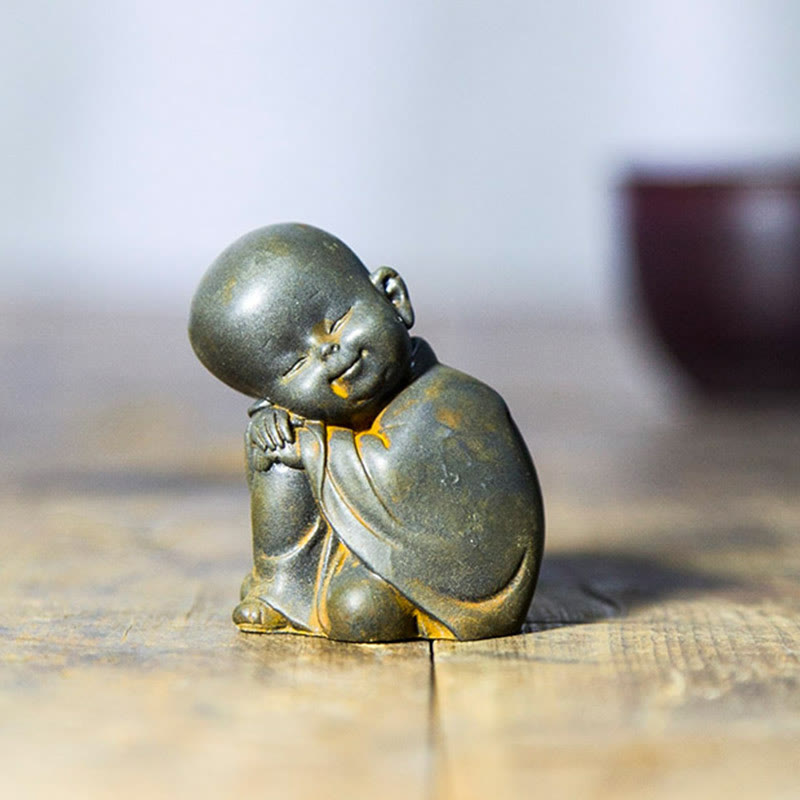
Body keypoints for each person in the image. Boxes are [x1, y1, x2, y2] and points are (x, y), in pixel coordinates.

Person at [189, 223, 544, 641]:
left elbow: (398, 470)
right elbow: (309, 450)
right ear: (271, 394)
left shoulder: (457, 401)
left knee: (357, 609)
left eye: (336, 321)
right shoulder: (314, 420)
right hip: (362, 547)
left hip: (458, 581)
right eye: (293, 367)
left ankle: (390, 599)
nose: (326, 353)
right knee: (274, 450)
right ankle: (282, 590)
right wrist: (278, 432)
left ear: (393, 297)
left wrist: (312, 449)